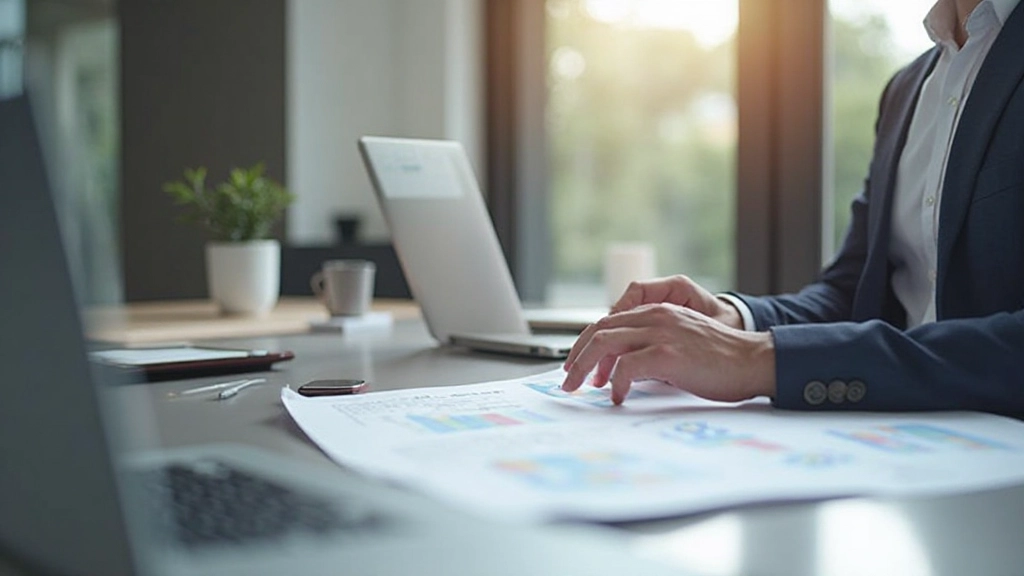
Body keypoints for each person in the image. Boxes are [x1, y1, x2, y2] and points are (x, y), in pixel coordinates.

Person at [561, 0, 1024, 416]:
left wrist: (759, 357)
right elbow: (852, 293)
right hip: (904, 444)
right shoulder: (908, 88)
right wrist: (732, 319)